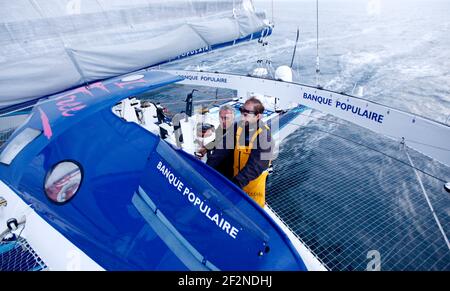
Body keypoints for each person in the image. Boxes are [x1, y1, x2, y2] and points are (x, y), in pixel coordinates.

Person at [232, 97, 274, 208]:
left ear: (258, 116)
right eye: (241, 113)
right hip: (236, 185)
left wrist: (235, 184)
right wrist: (207, 148)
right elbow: (223, 143)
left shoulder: (265, 137)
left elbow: (257, 166)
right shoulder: (238, 126)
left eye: (246, 115)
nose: (242, 117)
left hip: (253, 191)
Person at [198, 105, 236, 179]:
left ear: (233, 118)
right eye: (221, 118)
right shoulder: (221, 128)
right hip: (218, 165)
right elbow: (217, 141)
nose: (223, 121)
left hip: (227, 172)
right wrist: (206, 149)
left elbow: (217, 156)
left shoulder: (233, 133)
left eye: (226, 118)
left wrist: (204, 170)